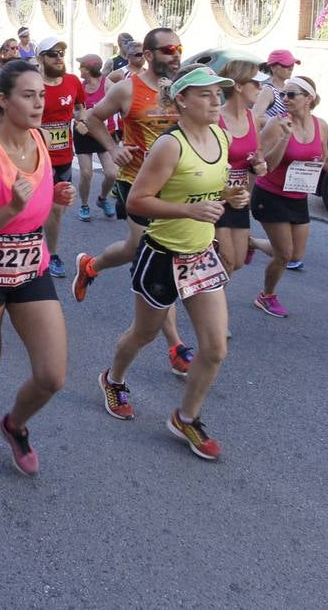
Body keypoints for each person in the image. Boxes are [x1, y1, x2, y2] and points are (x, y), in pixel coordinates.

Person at [98, 65, 247, 461]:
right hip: (162, 255)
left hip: (201, 257)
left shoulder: (220, 136)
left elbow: (216, 186)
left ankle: (186, 417)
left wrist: (233, 197)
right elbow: (137, 202)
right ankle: (114, 378)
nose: (216, 102)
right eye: (205, 94)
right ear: (181, 100)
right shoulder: (170, 145)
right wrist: (187, 211)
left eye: (219, 94)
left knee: (215, 349)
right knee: (143, 335)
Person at [0, 59, 73, 476]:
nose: (39, 103)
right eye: (28, 95)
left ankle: (14, 424)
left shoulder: (40, 138)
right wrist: (12, 209)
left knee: (52, 375)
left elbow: (35, 195)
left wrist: (56, 194)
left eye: (41, 94)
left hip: (30, 269)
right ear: (3, 101)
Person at [73, 28, 194, 377]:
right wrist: (113, 149)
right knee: (159, 256)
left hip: (176, 188)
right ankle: (176, 345)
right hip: (136, 183)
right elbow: (91, 118)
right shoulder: (127, 88)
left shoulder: (182, 90)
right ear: (149, 53)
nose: (175, 55)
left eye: (179, 49)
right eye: (168, 50)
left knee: (132, 248)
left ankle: (90, 266)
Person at [250, 76, 328, 317]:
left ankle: (250, 242)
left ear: (309, 99)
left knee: (295, 255)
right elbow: (263, 164)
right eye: (283, 94)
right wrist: (284, 137)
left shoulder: (320, 125)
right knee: (283, 255)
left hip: (298, 195)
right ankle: (267, 296)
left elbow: (325, 159)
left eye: (291, 95)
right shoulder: (276, 124)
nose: (285, 99)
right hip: (270, 193)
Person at [215, 61, 275, 275]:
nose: (261, 88)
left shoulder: (252, 117)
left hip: (240, 199)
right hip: (216, 199)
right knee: (227, 261)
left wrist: (259, 164)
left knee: (238, 261)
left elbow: (256, 151)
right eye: (256, 84)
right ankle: (211, 307)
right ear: (239, 86)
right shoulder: (216, 119)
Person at [36, 35, 86, 278]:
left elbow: (80, 107)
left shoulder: (73, 82)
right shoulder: (34, 85)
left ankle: (47, 247)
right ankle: (51, 255)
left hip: (64, 157)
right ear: (41, 58)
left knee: (58, 209)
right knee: (48, 209)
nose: (58, 58)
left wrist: (81, 120)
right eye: (52, 54)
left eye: (61, 53)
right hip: (35, 158)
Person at [73, 53, 119, 221]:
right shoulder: (79, 86)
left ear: (90, 69)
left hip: (103, 134)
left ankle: (102, 198)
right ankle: (84, 205)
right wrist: (78, 120)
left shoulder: (108, 85)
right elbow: (74, 109)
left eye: (82, 66)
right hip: (83, 133)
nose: (79, 69)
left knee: (111, 173)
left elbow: (119, 104)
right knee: (86, 173)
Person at [253, 49, 300, 122]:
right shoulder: (268, 90)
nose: (291, 68)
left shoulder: (289, 89)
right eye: (286, 65)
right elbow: (256, 116)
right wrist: (279, 123)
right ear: (273, 68)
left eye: (292, 65)